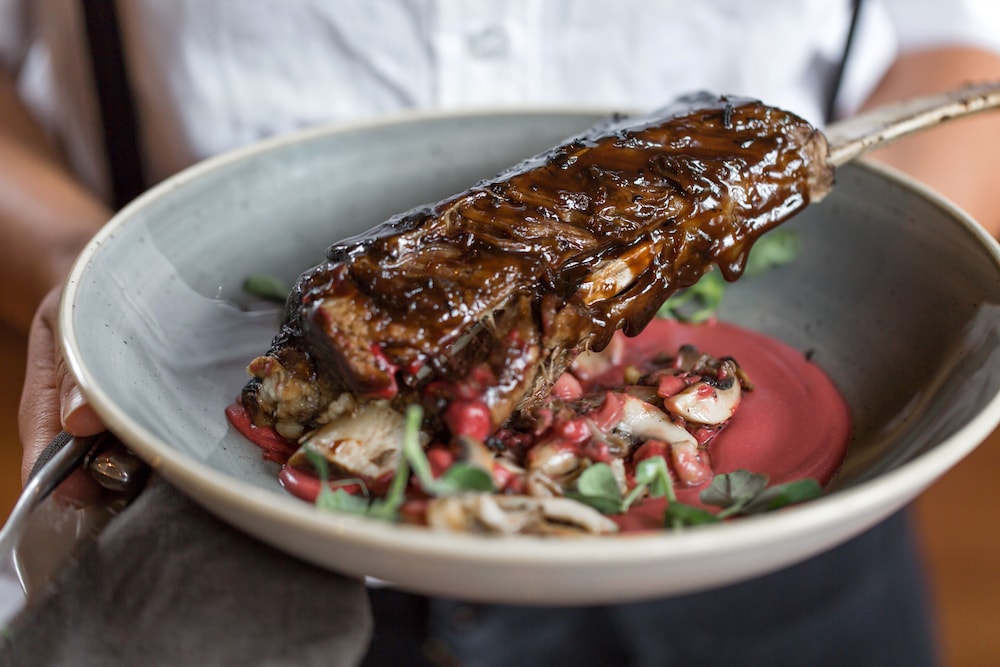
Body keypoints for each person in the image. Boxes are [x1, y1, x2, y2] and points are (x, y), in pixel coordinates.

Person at [2, 1, 1000, 665]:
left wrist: (866, 267)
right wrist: (81, 264)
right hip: (213, 521)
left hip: (775, 545)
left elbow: (959, 43)